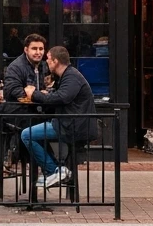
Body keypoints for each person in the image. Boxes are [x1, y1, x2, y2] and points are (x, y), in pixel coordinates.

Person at [20, 46, 97, 191]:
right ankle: (56, 170)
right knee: (35, 136)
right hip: (68, 123)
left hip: (72, 126)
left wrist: (35, 94)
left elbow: (62, 97)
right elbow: (60, 97)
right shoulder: (67, 76)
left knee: (27, 135)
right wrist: (46, 94)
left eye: (48, 59)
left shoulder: (71, 76)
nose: (46, 62)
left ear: (55, 61)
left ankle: (55, 171)